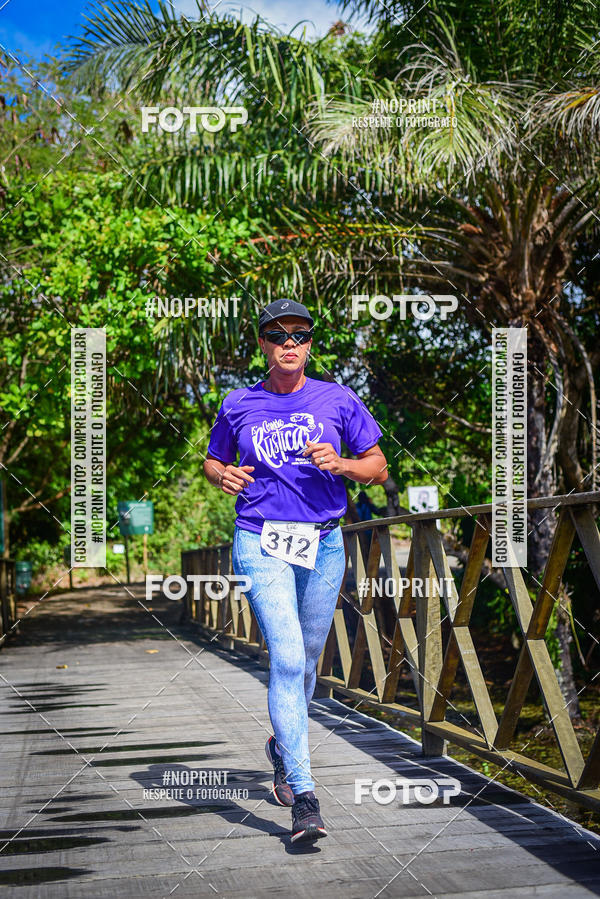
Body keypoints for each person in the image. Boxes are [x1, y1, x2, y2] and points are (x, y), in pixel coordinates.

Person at [202, 298, 388, 843]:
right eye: (277, 334)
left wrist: (344, 464)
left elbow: (376, 466)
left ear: (309, 343)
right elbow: (213, 460)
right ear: (261, 342)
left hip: (324, 545)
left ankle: (281, 748)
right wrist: (222, 477)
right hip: (260, 540)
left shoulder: (337, 398)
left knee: (307, 659)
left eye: (299, 335)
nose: (289, 343)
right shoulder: (239, 403)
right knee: (285, 656)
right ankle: (304, 797)